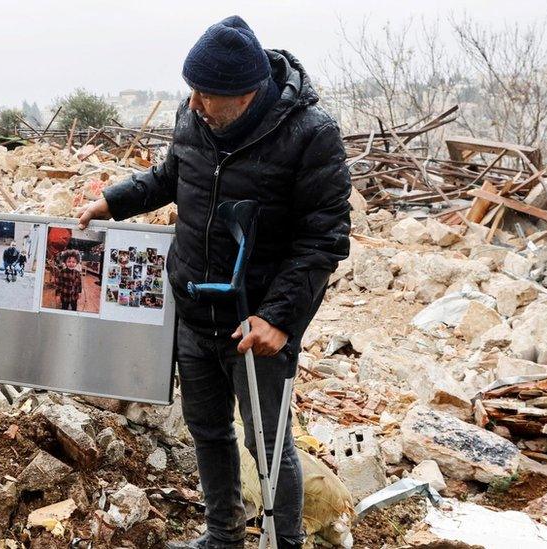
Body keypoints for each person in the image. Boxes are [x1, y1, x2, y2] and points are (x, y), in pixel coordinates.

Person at [78, 16, 351, 549]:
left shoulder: (310, 136)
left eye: (208, 95)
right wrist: (115, 200)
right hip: (194, 312)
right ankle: (223, 536)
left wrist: (279, 319)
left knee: (269, 445)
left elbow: (324, 240)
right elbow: (169, 178)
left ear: (246, 93)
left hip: (257, 321)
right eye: (193, 92)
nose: (196, 104)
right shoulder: (194, 116)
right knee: (207, 432)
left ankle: (284, 542)